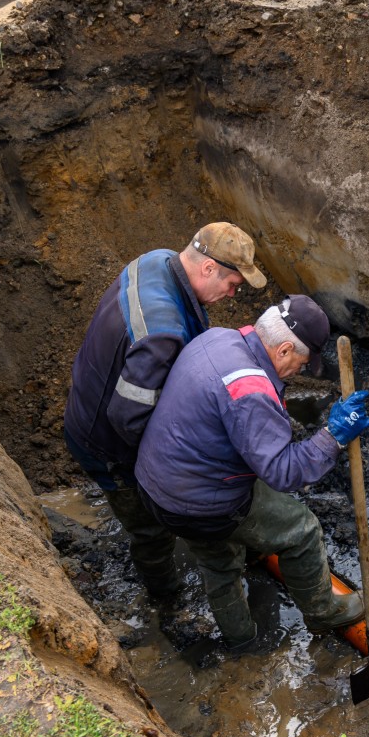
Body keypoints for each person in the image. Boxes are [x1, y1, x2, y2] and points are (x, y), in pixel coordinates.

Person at [135, 295, 369, 650]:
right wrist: (333, 437)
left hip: (156, 486)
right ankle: (322, 612)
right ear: (284, 350)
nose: (300, 372)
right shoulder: (250, 389)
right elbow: (283, 472)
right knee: (302, 530)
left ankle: (242, 643)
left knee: (219, 562)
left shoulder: (217, 338)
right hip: (202, 503)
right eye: (303, 364)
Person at [63, 222, 267, 599]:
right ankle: (167, 600)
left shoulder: (157, 261)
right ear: (208, 268)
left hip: (91, 395)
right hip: (105, 444)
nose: (232, 293)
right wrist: (177, 465)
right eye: (232, 284)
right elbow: (128, 418)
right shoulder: (162, 334)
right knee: (150, 530)